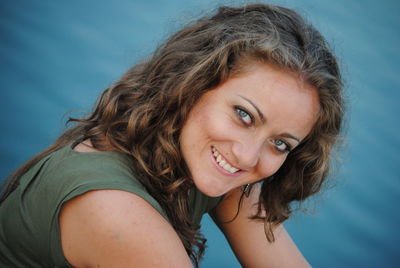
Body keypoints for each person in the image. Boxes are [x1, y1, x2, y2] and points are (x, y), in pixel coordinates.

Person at [0, 3, 344, 267]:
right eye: (244, 115)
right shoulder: (115, 211)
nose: (248, 156)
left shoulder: (201, 160)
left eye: (280, 143)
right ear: (192, 85)